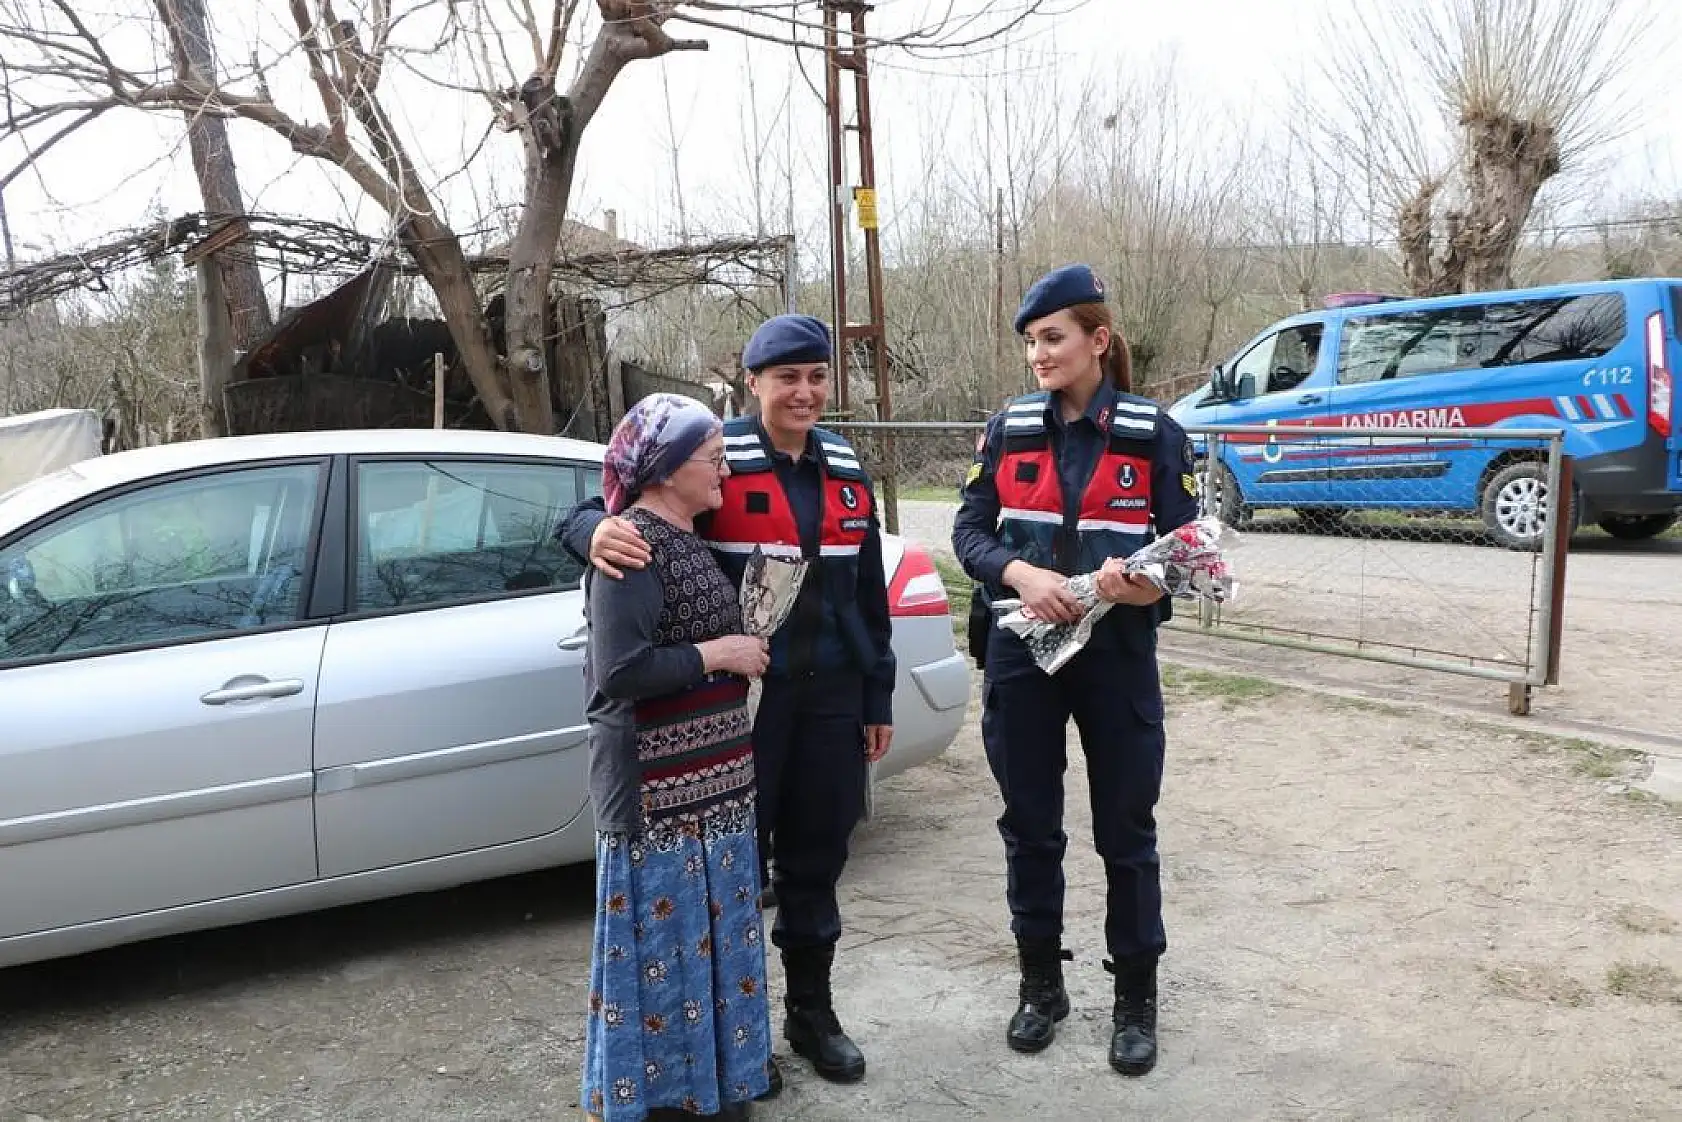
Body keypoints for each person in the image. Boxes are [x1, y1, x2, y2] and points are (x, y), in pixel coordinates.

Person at [560, 314, 895, 1093]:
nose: (805, 392)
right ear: (755, 383)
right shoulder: (710, 456)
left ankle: (813, 1015)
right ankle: (738, 1045)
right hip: (741, 709)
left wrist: (876, 693)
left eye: (817, 376)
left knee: (818, 861)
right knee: (734, 877)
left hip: (834, 698)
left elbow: (867, 594)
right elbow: (609, 506)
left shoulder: (846, 465)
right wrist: (591, 531)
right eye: (787, 378)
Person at [951, 264, 1199, 1077]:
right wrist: (1018, 575)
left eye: (1052, 338)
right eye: (1030, 342)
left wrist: (1144, 586)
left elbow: (1190, 552)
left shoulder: (1155, 434)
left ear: (1098, 340)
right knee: (1031, 826)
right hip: (1022, 656)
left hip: (1116, 659)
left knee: (1126, 831)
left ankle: (1135, 998)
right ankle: (1040, 986)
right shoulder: (1007, 428)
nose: (1038, 355)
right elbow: (971, 534)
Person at [578, 393, 774, 1122]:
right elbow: (621, 669)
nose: (724, 469)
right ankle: (659, 1100)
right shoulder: (631, 543)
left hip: (717, 792)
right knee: (665, 949)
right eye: (711, 457)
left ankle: (712, 1086)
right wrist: (719, 653)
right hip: (660, 800)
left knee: (713, 947)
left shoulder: (687, 534)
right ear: (664, 469)